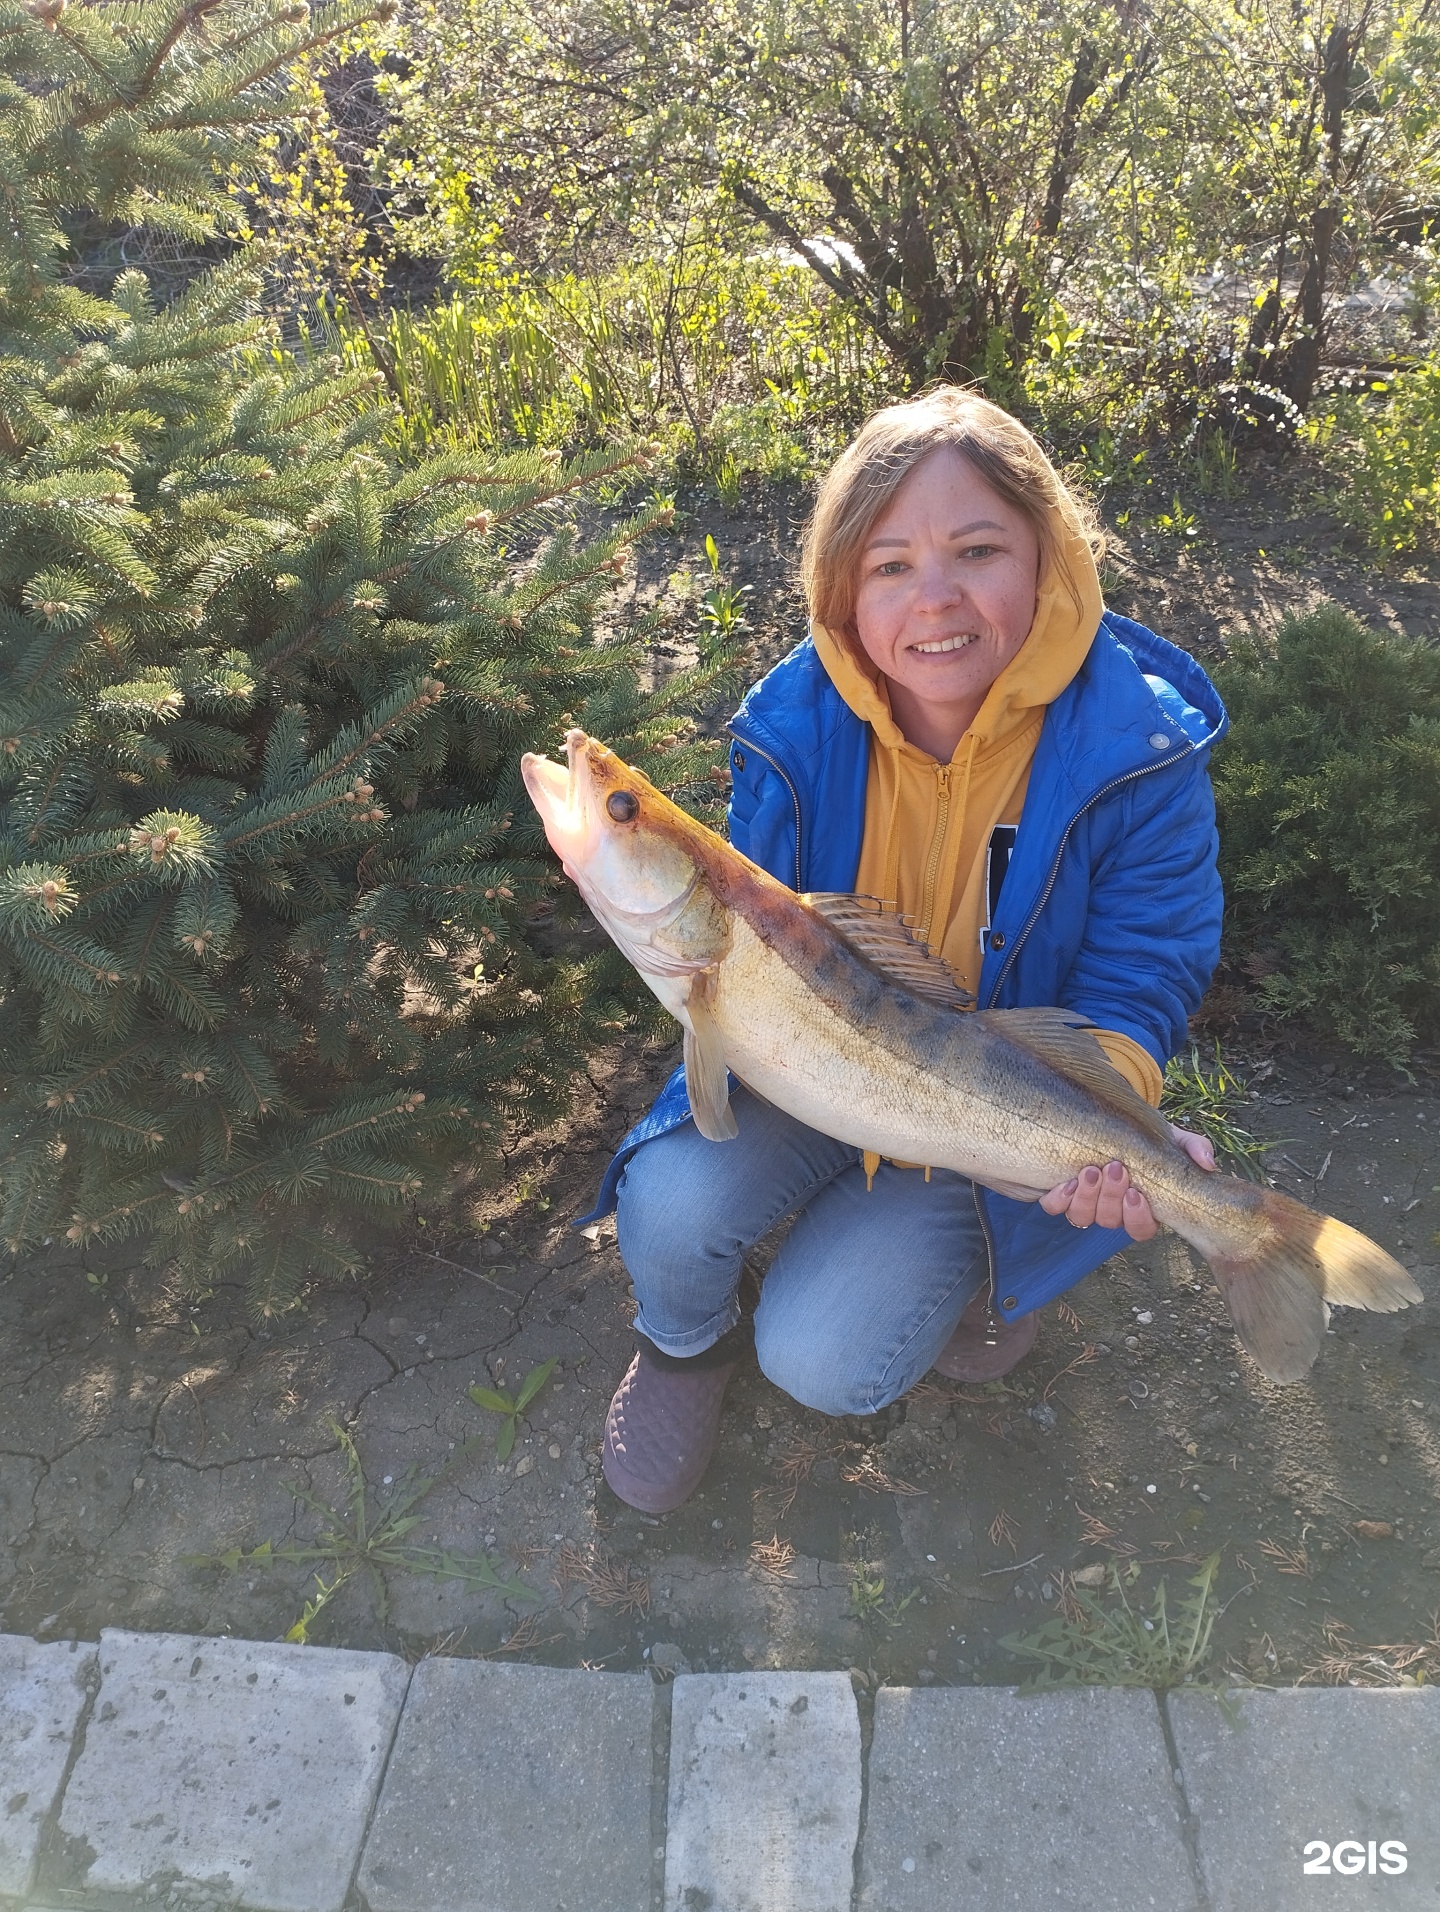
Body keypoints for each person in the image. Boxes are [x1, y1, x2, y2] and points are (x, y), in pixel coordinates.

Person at [579, 388, 1227, 1515]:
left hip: (993, 1104)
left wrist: (1110, 1110)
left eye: (978, 550)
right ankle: (685, 1346)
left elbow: (1145, 964)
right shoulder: (788, 729)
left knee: (825, 1361)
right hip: (823, 1071)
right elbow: (754, 946)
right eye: (888, 565)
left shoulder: (1141, 753)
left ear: (1050, 559)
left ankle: (1000, 1270)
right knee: (672, 1204)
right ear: (841, 586)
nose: (935, 597)